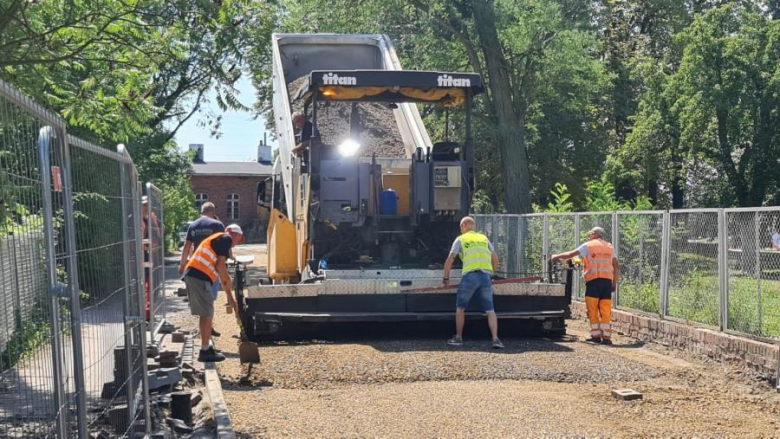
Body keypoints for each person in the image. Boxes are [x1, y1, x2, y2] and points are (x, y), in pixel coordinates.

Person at [182, 224, 244, 362]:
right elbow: (220, 266)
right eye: (239, 239)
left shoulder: (219, 240)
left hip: (195, 275)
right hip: (199, 276)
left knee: (206, 313)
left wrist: (230, 297)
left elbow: (220, 271)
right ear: (235, 235)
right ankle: (205, 351)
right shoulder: (226, 239)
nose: (236, 244)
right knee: (207, 313)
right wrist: (227, 278)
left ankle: (207, 347)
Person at [551, 227, 620, 345]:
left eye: (590, 234)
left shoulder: (588, 245)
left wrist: (556, 257)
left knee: (592, 309)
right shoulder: (610, 247)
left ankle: (596, 336)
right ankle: (607, 337)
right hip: (607, 283)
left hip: (593, 282)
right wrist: (614, 283)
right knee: (605, 309)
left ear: (594, 234)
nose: (589, 236)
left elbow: (570, 254)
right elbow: (616, 267)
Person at [442, 216, 504, 349]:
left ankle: (458, 338)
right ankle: (495, 339)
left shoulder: (461, 239)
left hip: (470, 276)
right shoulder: (484, 238)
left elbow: (450, 259)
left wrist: (446, 278)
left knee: (460, 308)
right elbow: (495, 259)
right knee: (490, 309)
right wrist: (491, 273)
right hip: (485, 276)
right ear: (473, 226)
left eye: (461, 227)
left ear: (463, 226)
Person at [179, 202, 225, 335]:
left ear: (202, 211)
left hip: (197, 267)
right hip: (212, 267)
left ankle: (207, 328)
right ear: (213, 212)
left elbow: (187, 246)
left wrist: (182, 265)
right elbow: (223, 245)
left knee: (203, 299)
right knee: (210, 299)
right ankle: (207, 329)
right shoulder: (217, 225)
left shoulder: (193, 225)